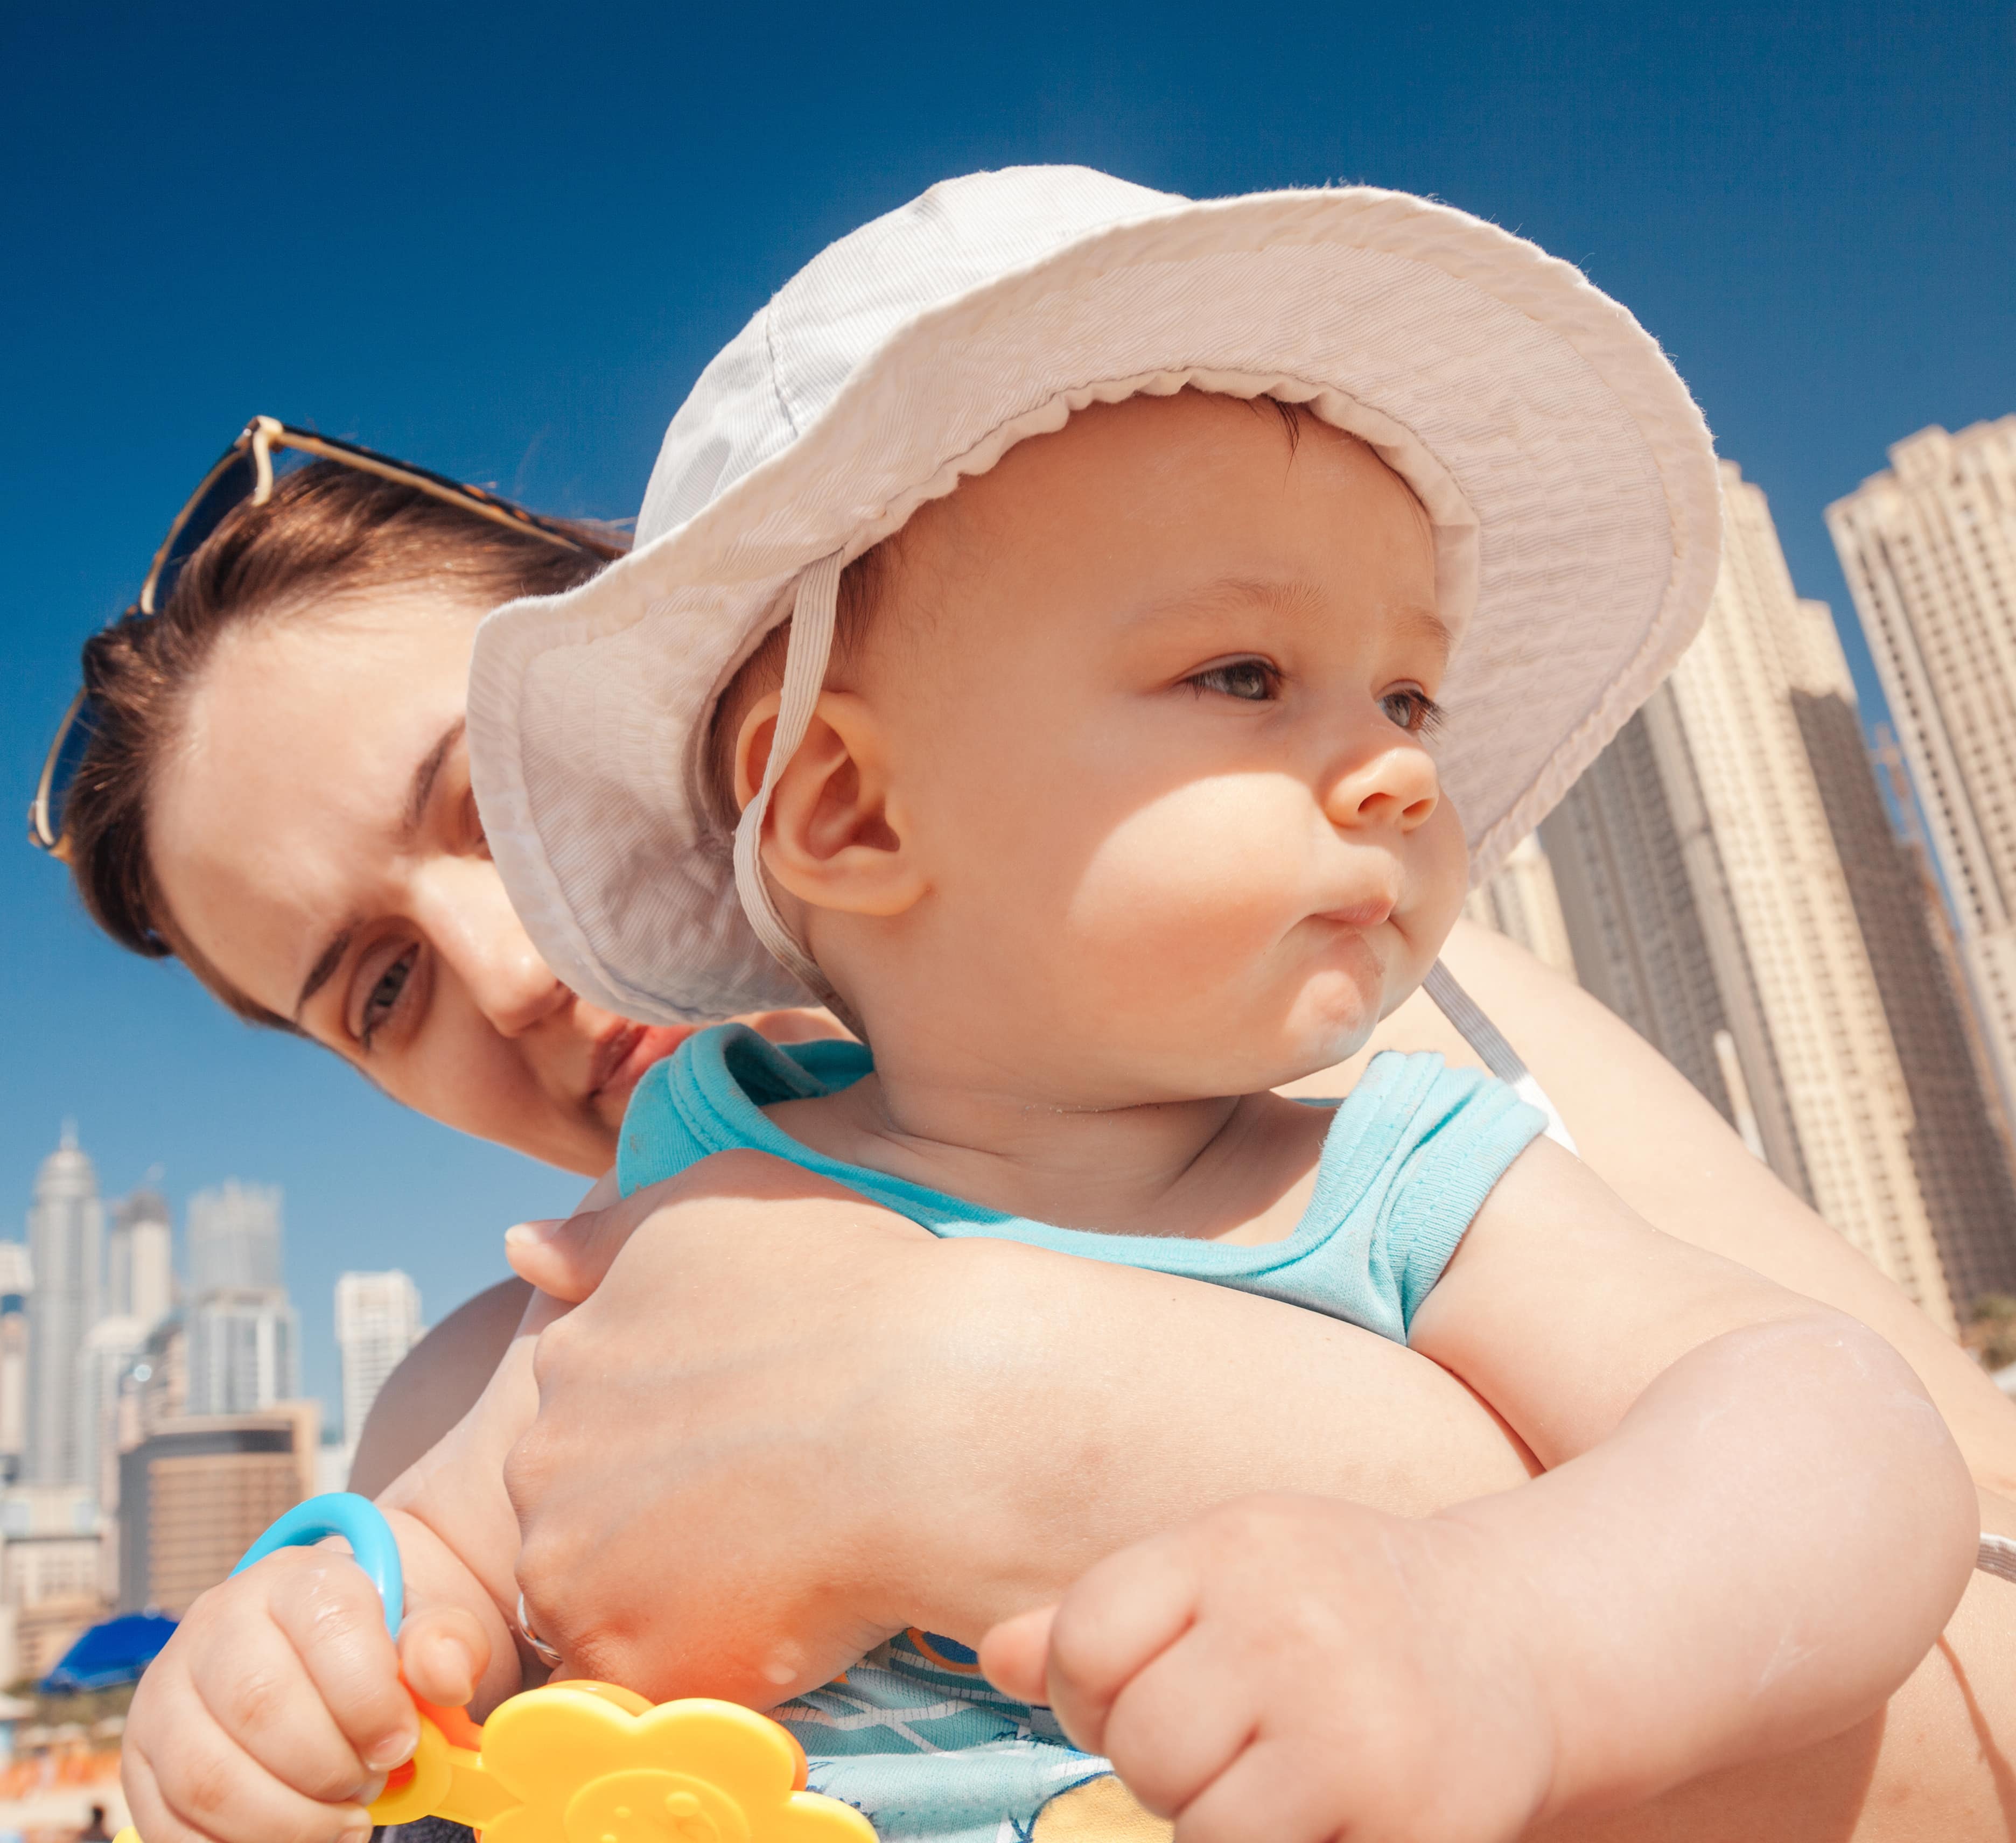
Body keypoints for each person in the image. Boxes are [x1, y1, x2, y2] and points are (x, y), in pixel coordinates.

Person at [98, 170, 2011, 1843]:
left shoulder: (1404, 1132)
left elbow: (1842, 1444)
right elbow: (418, 1578)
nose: (516, 971)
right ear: (834, 796)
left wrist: (1511, 1636)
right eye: (380, 985)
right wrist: (298, 1646)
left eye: (493, 806)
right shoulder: (648, 1249)